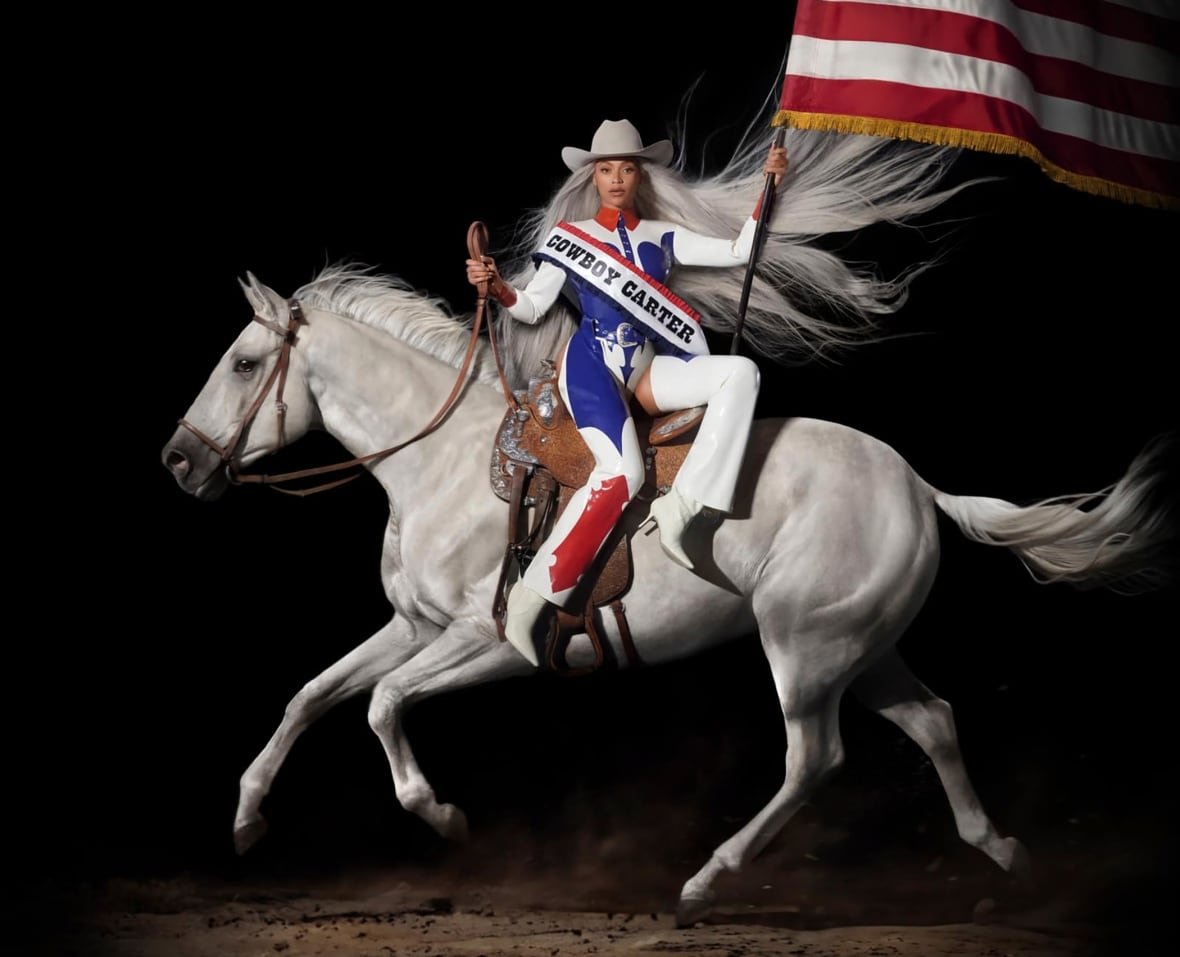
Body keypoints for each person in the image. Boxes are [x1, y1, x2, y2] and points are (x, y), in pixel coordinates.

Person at [467, 118, 788, 666]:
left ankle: (687, 509)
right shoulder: (570, 240)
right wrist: (495, 286)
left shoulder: (662, 236)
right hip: (590, 366)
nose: (617, 178)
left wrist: (768, 186)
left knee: (740, 374)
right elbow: (533, 306)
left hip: (644, 370)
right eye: (608, 169)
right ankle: (533, 596)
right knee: (623, 474)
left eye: (628, 168)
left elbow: (739, 250)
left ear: (640, 176)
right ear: (594, 178)